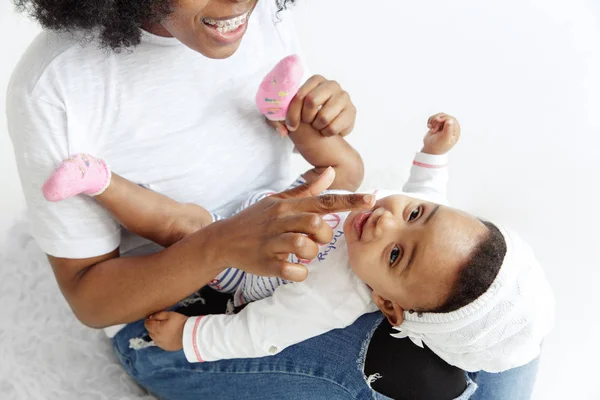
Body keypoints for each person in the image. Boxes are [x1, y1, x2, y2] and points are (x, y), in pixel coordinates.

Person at [7, 0, 543, 398]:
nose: (238, 4)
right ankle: (99, 180)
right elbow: (92, 303)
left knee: (501, 328)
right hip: (174, 306)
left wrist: (316, 125)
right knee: (445, 383)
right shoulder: (57, 87)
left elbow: (357, 187)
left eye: (401, 246)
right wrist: (216, 255)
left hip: (283, 224)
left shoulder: (253, 13)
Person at [42, 112, 553, 374]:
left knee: (185, 226)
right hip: (290, 199)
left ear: (390, 306)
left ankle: (98, 181)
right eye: (415, 216)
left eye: (395, 255)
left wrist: (188, 337)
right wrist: (433, 151)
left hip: (240, 260)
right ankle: (286, 108)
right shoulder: (397, 213)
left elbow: (262, 334)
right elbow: (425, 192)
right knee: (343, 167)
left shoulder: (331, 299)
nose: (386, 222)